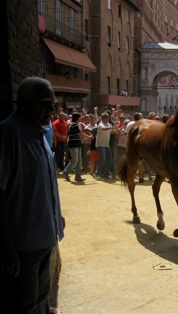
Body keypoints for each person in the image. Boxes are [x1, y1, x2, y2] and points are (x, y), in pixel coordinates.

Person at [0, 77, 65, 312]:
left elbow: (42, 182)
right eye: (45, 104)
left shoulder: (39, 132)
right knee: (26, 305)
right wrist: (8, 249)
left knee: (41, 300)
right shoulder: (10, 135)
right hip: (24, 245)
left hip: (46, 236)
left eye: (53, 104)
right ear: (25, 103)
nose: (52, 110)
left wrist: (57, 215)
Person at [62, 113, 93, 182]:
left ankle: (78, 176)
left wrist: (87, 138)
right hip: (73, 145)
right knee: (75, 160)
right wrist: (88, 137)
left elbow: (80, 135)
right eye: (80, 117)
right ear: (77, 118)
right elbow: (79, 134)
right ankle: (66, 172)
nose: (81, 118)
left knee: (79, 161)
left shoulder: (76, 124)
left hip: (77, 144)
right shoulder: (74, 125)